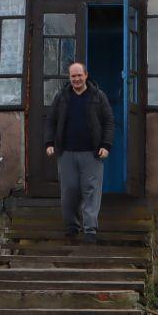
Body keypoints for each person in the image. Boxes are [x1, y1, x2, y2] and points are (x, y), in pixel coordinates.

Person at [44, 60, 113, 241]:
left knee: (91, 190)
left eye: (79, 75)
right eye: (73, 76)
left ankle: (90, 229)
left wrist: (106, 145)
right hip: (66, 153)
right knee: (70, 191)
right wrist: (49, 143)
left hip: (92, 153)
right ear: (70, 78)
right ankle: (72, 226)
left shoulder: (98, 96)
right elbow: (51, 120)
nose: (76, 79)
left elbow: (109, 122)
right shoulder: (62, 97)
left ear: (86, 75)